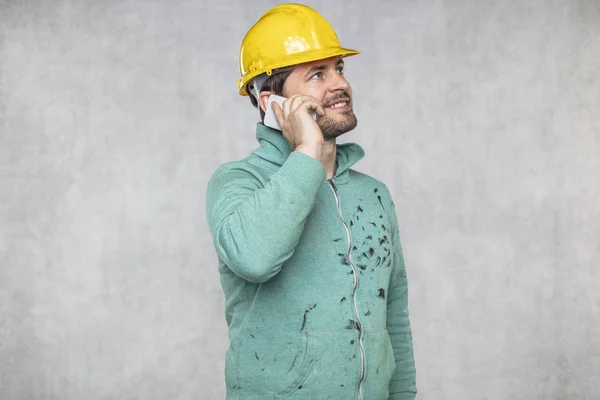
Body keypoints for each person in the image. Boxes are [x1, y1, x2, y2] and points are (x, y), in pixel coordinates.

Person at [206, 4, 417, 399]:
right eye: (317, 74)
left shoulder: (374, 194)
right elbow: (255, 258)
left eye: (339, 68)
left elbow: (394, 320)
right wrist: (307, 151)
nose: (339, 84)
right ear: (272, 103)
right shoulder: (237, 182)